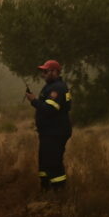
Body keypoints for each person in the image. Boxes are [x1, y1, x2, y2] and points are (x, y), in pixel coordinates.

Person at [25, 60, 72, 192]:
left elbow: (49, 109)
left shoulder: (57, 88)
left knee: (53, 162)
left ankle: (59, 191)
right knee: (44, 162)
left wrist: (33, 100)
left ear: (55, 72)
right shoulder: (50, 87)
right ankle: (45, 189)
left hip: (56, 133)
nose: (43, 74)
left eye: (46, 71)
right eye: (42, 72)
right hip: (48, 133)